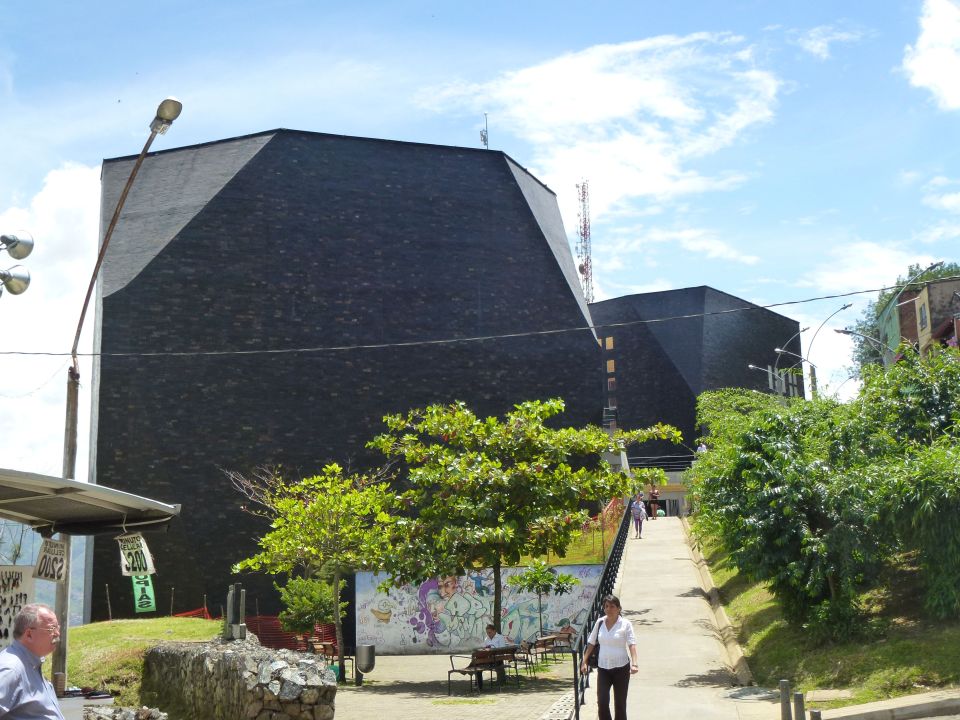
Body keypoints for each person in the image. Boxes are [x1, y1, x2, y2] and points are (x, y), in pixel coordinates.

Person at [0, 603, 66, 719]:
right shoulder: (11, 669)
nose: (57, 633)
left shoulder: (32, 664)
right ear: (29, 634)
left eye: (57, 628)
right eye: (51, 629)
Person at [580, 595, 638, 720]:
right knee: (602, 702)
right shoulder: (600, 622)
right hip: (603, 668)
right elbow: (591, 642)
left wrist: (635, 663)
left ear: (618, 608)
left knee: (620, 704)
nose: (609, 609)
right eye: (606, 606)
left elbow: (632, 644)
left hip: (621, 669)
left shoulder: (625, 624)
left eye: (612, 606)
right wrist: (584, 661)